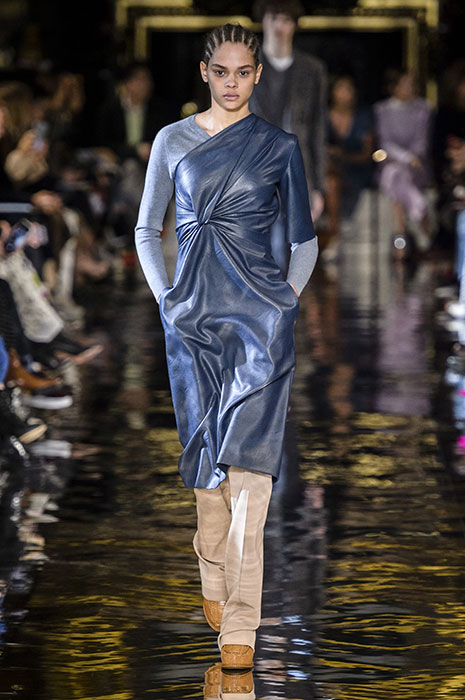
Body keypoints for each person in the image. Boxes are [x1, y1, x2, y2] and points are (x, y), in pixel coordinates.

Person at [135, 24, 318, 671]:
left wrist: (285, 300)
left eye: (244, 72)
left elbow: (303, 239)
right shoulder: (172, 140)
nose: (233, 83)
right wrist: (165, 299)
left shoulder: (278, 146)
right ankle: (211, 566)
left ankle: (242, 622)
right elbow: (145, 227)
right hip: (192, 322)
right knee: (207, 476)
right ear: (205, 73)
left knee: (253, 477)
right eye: (222, 72)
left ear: (257, 75)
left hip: (260, 322)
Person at [250, 0, 327, 223]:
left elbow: (317, 128)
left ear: (294, 25)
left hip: (298, 167)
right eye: (273, 18)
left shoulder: (312, 70)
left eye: (285, 20)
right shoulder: (244, 67)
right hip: (253, 168)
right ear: (263, 20)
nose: (279, 26)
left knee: (294, 236)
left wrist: (318, 186)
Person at [374, 71, 433, 257]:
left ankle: (400, 238)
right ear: (394, 87)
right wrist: (406, 158)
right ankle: (421, 217)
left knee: (397, 176)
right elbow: (385, 142)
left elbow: (422, 141)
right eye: (405, 84)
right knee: (395, 173)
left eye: (412, 84)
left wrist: (412, 158)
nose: (410, 88)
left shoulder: (423, 108)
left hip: (418, 166)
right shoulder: (382, 110)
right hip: (392, 162)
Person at [325, 75, 374, 246]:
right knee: (330, 178)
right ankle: (332, 233)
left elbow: (367, 154)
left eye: (348, 89)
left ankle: (334, 233)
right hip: (329, 168)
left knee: (331, 180)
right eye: (340, 89)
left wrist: (342, 155)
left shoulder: (363, 117)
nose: (345, 94)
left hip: (356, 169)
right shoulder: (323, 116)